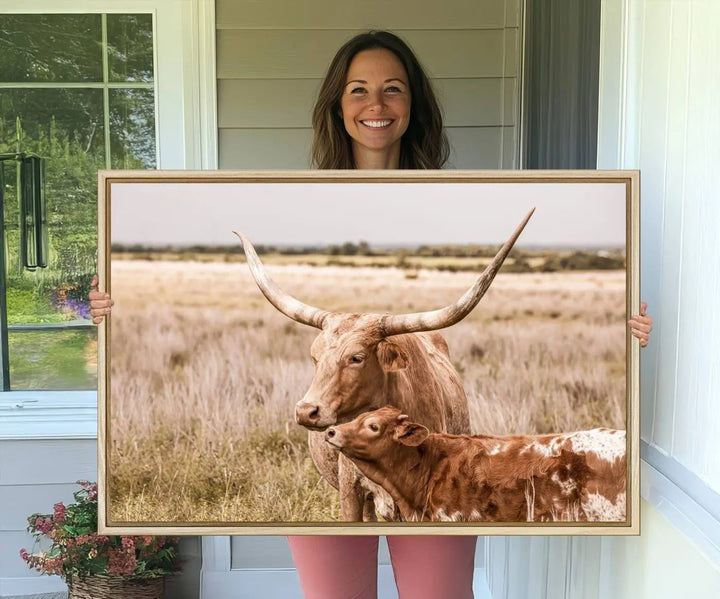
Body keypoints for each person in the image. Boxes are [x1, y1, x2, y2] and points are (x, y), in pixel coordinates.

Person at [90, 30, 653, 599]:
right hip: (340, 426)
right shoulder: (292, 202)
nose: (375, 105)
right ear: (338, 105)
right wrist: (112, 309)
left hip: (431, 455)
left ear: (413, 105)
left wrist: (625, 327)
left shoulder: (460, 200)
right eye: (358, 90)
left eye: (393, 89)